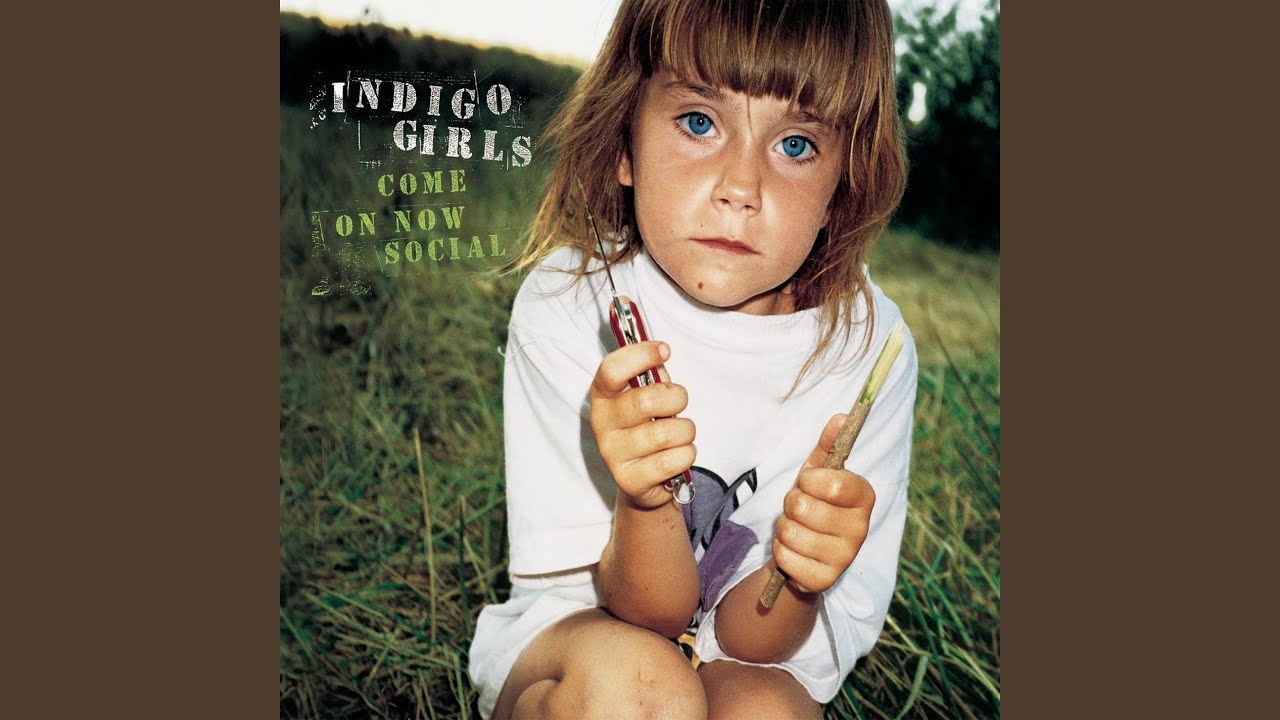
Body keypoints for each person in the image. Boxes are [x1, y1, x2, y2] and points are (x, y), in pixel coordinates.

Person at [468, 1, 917, 718]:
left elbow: (753, 644)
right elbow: (648, 616)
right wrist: (646, 501)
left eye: (795, 144)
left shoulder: (869, 351)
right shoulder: (571, 303)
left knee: (770, 712)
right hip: (581, 643)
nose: (741, 188)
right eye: (699, 123)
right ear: (624, 140)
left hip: (747, 653)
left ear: (845, 183)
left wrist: (802, 577)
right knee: (644, 686)